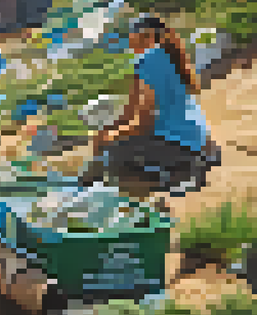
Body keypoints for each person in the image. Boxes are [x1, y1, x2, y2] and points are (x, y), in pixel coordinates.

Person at [83, 14, 220, 197]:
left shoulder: (150, 60)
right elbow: (129, 113)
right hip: (195, 142)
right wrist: (106, 131)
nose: (128, 37)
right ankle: (97, 183)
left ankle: (167, 182)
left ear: (145, 35)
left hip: (180, 146)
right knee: (109, 143)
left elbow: (145, 123)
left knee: (116, 153)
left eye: (131, 32)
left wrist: (111, 137)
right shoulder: (157, 59)